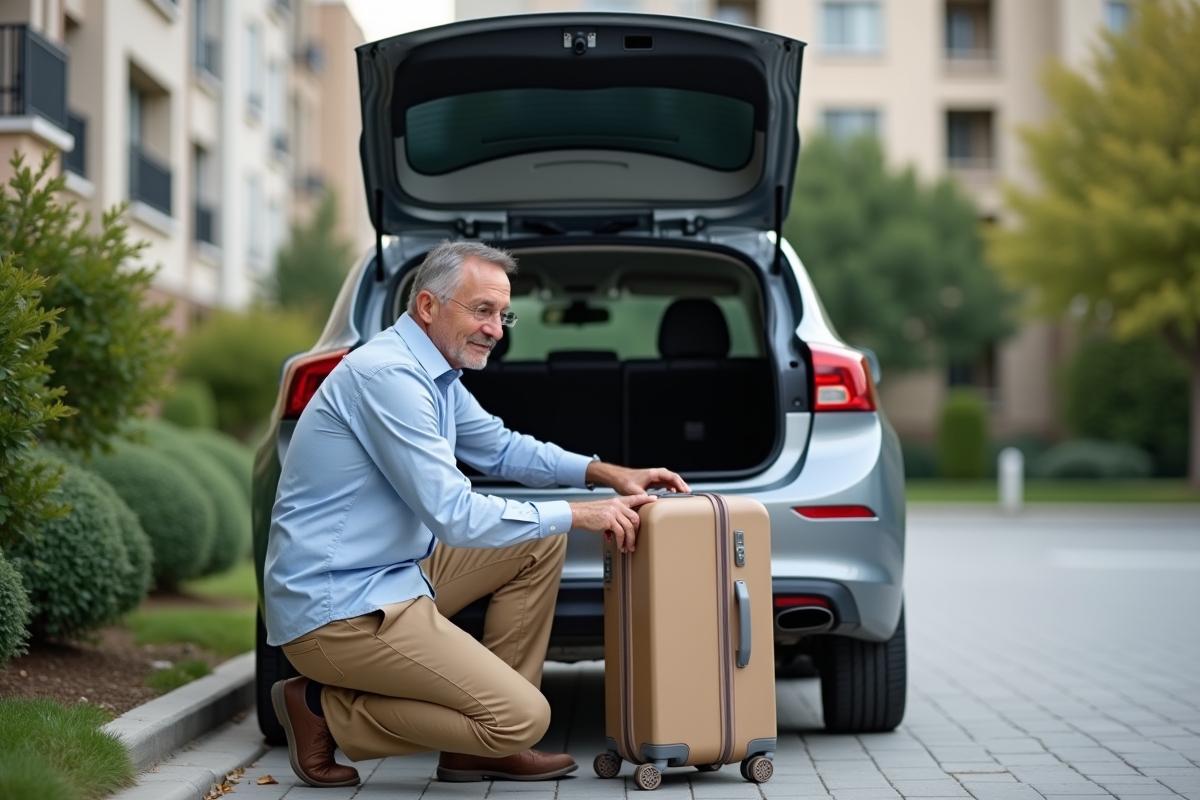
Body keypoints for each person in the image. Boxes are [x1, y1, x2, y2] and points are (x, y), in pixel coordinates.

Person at [264, 240, 689, 787]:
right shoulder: (389, 378)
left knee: (537, 540)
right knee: (526, 717)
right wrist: (583, 515)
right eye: (482, 311)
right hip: (339, 609)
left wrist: (607, 474)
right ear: (427, 307)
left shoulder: (435, 373)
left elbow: (503, 448)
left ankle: (481, 747)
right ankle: (323, 709)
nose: (497, 329)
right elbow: (453, 515)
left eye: (502, 313)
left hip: (394, 577)